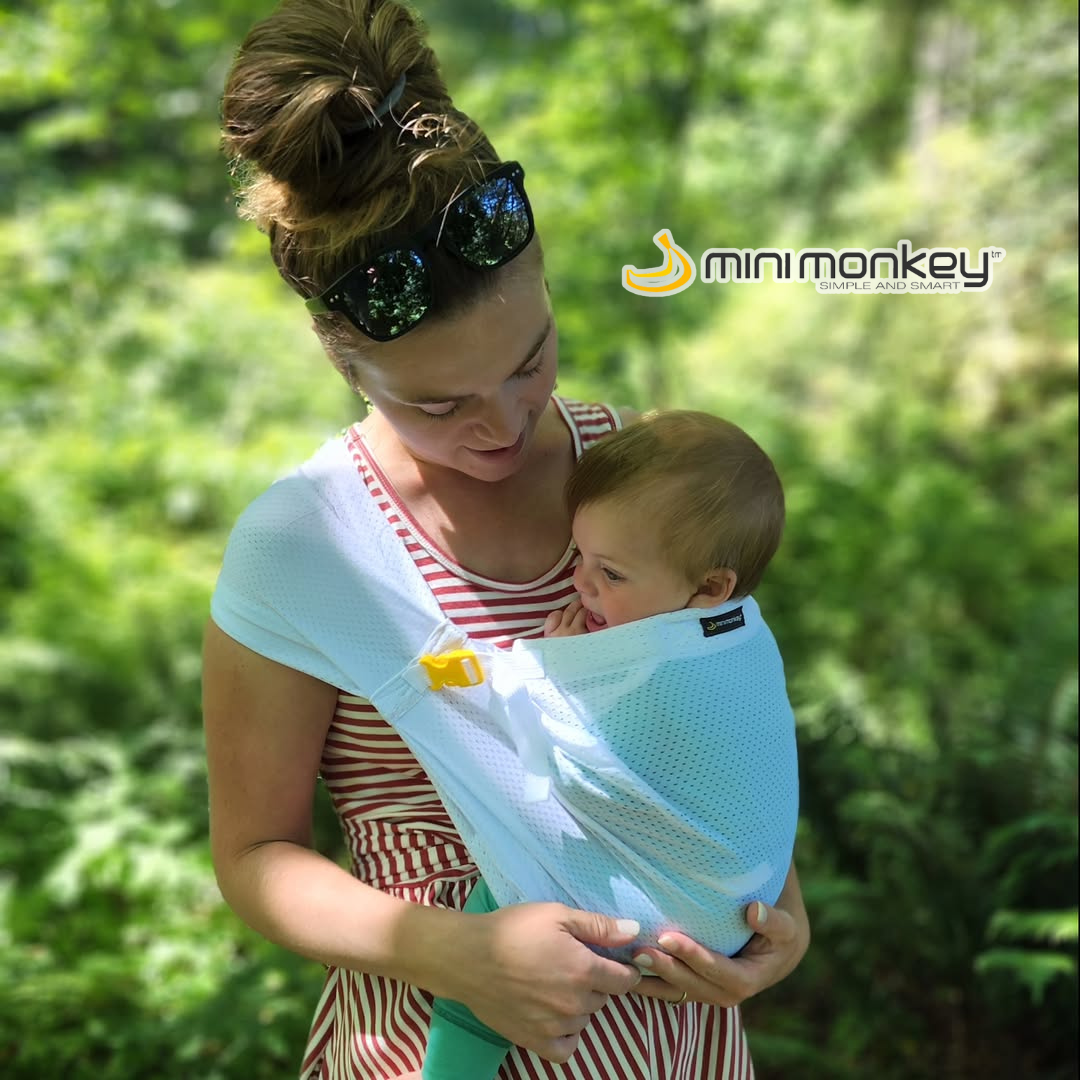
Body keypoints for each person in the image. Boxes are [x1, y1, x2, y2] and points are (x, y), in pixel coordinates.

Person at [203, 2, 811, 1077]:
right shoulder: (309, 546)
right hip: (431, 1040)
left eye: (531, 360)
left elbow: (718, 728)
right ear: (344, 361)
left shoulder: (641, 477)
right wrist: (462, 953)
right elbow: (255, 855)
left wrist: (777, 912)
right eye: (439, 405)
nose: (504, 423)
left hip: (678, 1046)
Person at [416, 409, 798, 1080]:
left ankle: (450, 1070)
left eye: (612, 575)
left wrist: (554, 675)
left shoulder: (658, 674)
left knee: (504, 905)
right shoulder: (735, 636)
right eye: (579, 556)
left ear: (711, 589)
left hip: (676, 915)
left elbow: (555, 768)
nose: (582, 584)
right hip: (733, 912)